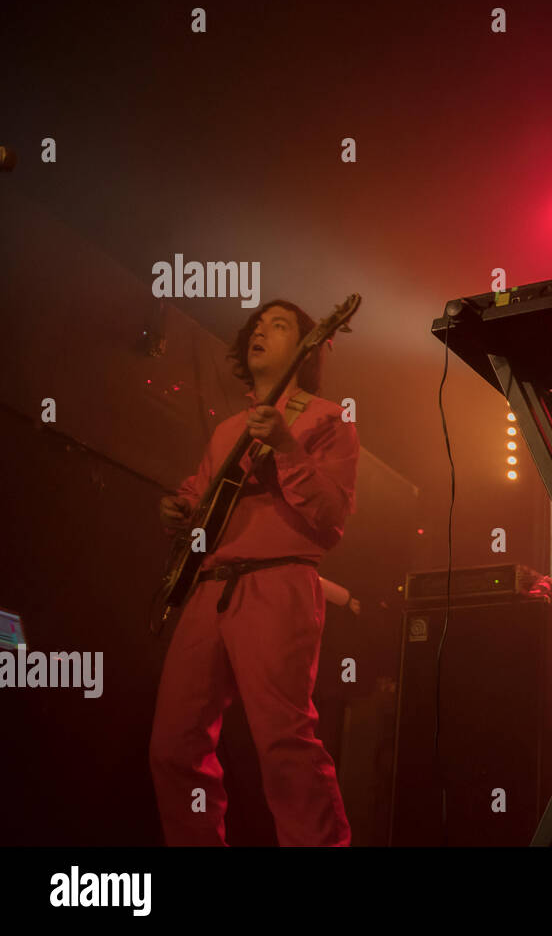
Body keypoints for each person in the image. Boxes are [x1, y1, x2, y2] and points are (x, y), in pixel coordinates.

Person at [151, 300, 358, 846]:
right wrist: (180, 509)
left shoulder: (329, 418)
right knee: (173, 745)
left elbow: (332, 519)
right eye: (258, 325)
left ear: (309, 347)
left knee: (284, 741)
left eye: (280, 325)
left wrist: (286, 446)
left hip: (278, 581)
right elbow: (201, 497)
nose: (261, 332)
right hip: (210, 588)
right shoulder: (226, 430)